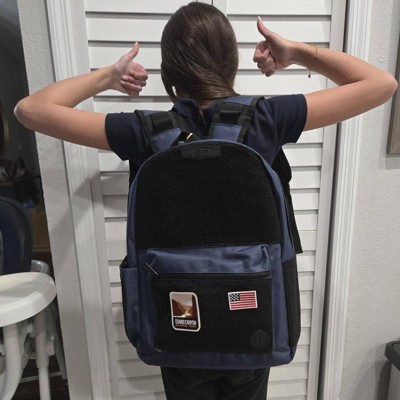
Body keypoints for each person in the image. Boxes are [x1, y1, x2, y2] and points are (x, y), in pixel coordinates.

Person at [14, 3, 397, 400]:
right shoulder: (268, 118)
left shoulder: (142, 131)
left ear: (169, 71)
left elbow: (31, 110)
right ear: (230, 62)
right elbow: (381, 83)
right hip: (254, 316)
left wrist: (108, 77)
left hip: (177, 319)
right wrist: (297, 53)